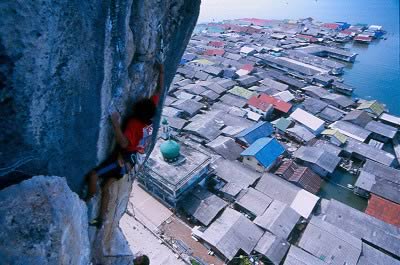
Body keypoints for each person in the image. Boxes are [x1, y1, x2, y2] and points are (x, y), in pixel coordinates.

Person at [86, 63, 164, 227]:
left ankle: (86, 200)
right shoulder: (148, 121)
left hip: (121, 159)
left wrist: (115, 123)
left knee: (94, 176)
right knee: (107, 188)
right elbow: (158, 91)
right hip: (130, 162)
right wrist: (161, 72)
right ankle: (100, 220)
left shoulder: (134, 124)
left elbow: (123, 142)